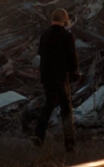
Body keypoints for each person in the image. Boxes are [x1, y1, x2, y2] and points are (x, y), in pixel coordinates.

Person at [32, 8, 80, 151]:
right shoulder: (66, 35)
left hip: (47, 77)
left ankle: (38, 136)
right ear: (64, 20)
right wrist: (74, 72)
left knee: (48, 105)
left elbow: (41, 55)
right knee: (66, 108)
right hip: (61, 77)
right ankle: (70, 142)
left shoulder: (45, 35)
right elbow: (72, 56)